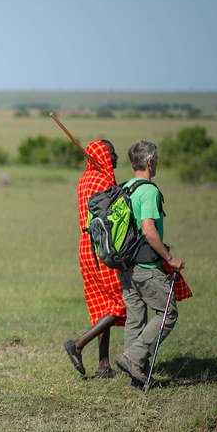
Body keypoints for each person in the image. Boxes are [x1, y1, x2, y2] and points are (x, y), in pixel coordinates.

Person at [114, 140, 192, 388]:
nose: (156, 163)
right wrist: (169, 259)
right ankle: (132, 357)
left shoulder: (125, 187)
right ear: (149, 162)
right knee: (168, 313)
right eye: (155, 160)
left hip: (124, 265)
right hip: (145, 267)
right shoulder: (148, 191)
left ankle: (135, 373)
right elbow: (148, 230)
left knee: (135, 318)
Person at [63, 139, 124, 378]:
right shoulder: (103, 182)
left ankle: (103, 366)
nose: (115, 157)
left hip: (85, 247)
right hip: (102, 248)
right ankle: (77, 344)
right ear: (101, 157)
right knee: (122, 303)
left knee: (102, 306)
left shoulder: (84, 179)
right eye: (111, 154)